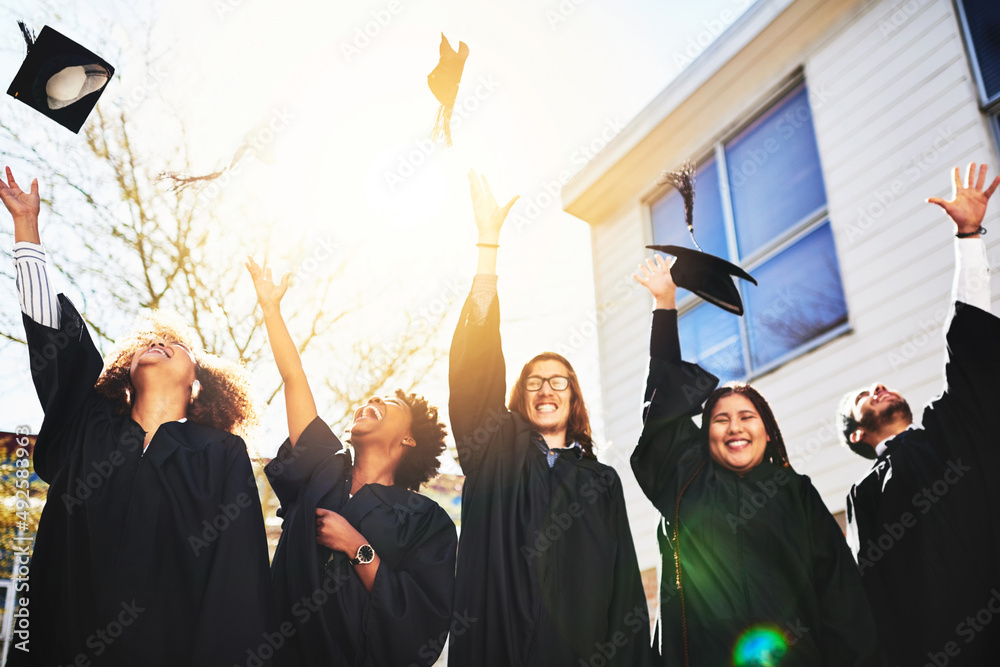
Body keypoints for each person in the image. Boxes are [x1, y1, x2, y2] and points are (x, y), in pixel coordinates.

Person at [1, 166, 274, 667]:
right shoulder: (90, 427)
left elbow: (236, 577)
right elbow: (52, 338)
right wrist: (26, 229)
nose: (159, 342)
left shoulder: (219, 454)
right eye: (150, 340)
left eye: (176, 344)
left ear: (198, 387)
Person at [632, 253, 882, 666]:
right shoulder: (684, 482)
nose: (735, 427)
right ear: (703, 434)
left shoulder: (795, 492)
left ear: (768, 431)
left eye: (747, 417)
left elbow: (840, 595)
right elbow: (662, 402)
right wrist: (665, 304)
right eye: (721, 419)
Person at [447, 170, 653, 667]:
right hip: (499, 647)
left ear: (574, 398)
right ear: (519, 398)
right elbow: (474, 376)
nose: (545, 388)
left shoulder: (601, 483)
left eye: (558, 380)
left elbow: (623, 586)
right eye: (534, 380)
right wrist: (488, 248)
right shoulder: (494, 452)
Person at [246, 257, 457, 667]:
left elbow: (423, 625)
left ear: (410, 438)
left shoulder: (426, 520)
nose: (371, 400)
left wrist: (356, 546)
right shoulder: (322, 467)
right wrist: (271, 310)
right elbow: (294, 378)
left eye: (388, 401)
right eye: (371, 398)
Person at [839, 163, 1000, 666]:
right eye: (865, 394)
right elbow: (868, 597)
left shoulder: (953, 427)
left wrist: (968, 236)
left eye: (882, 383)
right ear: (857, 434)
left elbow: (970, 342)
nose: (880, 386)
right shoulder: (864, 499)